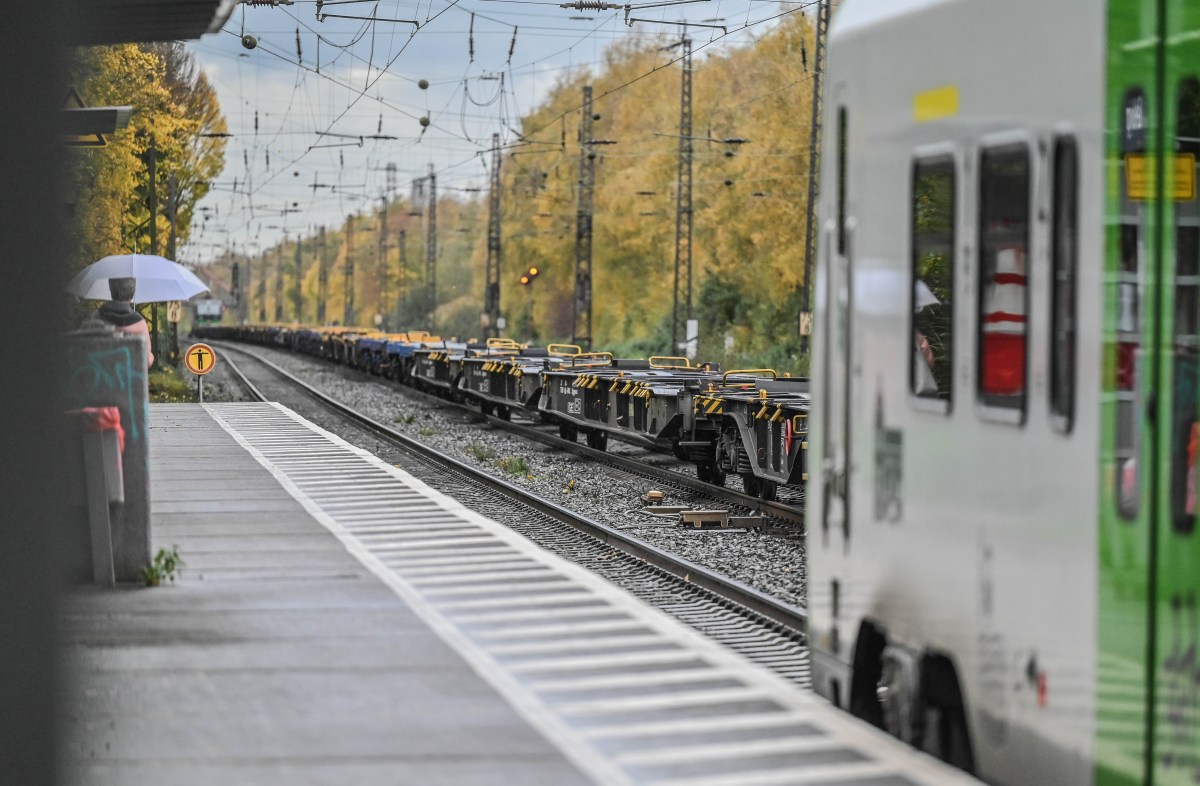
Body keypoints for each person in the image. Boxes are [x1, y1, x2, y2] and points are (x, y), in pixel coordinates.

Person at [95, 277, 154, 367]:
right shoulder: (139, 323)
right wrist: (151, 357)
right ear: (133, 292)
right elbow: (146, 361)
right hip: (129, 378)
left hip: (100, 374)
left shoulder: (97, 316)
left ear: (111, 290)